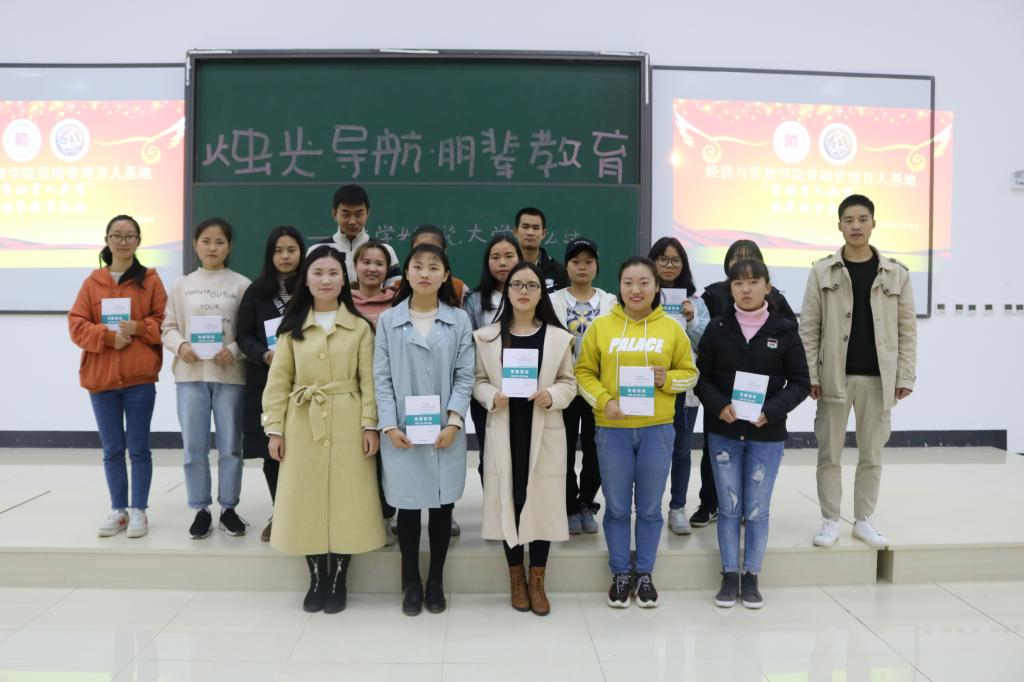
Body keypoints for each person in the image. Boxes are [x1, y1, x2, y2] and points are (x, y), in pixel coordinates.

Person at [262, 245, 384, 613]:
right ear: (306, 280)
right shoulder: (290, 328)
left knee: (349, 498)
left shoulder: (360, 327)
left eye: (333, 273)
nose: (326, 280)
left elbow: (369, 381)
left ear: (344, 279)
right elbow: (278, 382)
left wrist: (370, 424)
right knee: (305, 498)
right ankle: (316, 576)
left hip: (349, 421)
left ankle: (339, 578)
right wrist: (275, 429)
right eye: (318, 273)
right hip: (302, 423)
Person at [575, 257, 698, 608]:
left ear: (656, 287)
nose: (636, 289)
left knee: (648, 508)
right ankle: (619, 573)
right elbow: (583, 373)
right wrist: (605, 401)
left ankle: (644, 573)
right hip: (612, 429)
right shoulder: (601, 327)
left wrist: (667, 379)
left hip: (657, 430)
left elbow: (691, 374)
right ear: (619, 287)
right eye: (628, 282)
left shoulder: (671, 329)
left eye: (644, 282)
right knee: (615, 508)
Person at [801, 194, 917, 549]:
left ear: (873, 224)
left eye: (862, 219)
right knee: (829, 453)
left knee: (872, 455)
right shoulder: (822, 271)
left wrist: (905, 376)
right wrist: (811, 374)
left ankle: (863, 520)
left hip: (879, 380)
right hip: (833, 378)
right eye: (849, 220)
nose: (856, 226)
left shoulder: (897, 273)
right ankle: (829, 520)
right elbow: (809, 327)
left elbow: (907, 329)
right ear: (839, 225)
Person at [695, 259, 809, 609]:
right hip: (724, 432)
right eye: (738, 283)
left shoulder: (785, 330)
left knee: (757, 509)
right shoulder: (717, 328)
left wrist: (771, 411)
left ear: (767, 287)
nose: (746, 289)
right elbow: (701, 378)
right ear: (730, 289)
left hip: (766, 435)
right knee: (729, 508)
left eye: (753, 282)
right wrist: (719, 406)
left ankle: (752, 575)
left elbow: (800, 383)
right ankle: (730, 575)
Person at [374, 243, 475, 616]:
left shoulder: (459, 320)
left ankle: (436, 581)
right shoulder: (388, 320)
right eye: (418, 266)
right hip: (401, 431)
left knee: (442, 508)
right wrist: (388, 426)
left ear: (446, 275)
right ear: (407, 273)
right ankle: (412, 582)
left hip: (444, 432)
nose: (425, 273)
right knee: (409, 509)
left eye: (434, 267)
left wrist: (454, 421)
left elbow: (465, 375)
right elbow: (381, 378)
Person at [474, 262, 577, 615]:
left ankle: (537, 579)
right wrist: (491, 396)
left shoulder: (557, 338)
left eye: (531, 285)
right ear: (507, 291)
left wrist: (553, 395)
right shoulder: (487, 337)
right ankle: (516, 576)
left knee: (542, 501)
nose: (523, 291)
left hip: (543, 428)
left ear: (541, 293)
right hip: (505, 426)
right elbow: (477, 381)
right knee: (510, 498)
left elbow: (569, 383)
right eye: (516, 284)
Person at [68, 215, 167, 539]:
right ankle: (118, 510)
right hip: (102, 379)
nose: (123, 241)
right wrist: (108, 338)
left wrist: (138, 328)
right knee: (112, 450)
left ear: (138, 241)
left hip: (140, 379)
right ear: (107, 240)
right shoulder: (92, 283)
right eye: (117, 235)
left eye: (129, 236)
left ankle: (139, 510)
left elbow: (164, 322)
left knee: (139, 449)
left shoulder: (150, 280)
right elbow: (76, 325)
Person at [691, 239, 797, 530]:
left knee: (757, 457)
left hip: (761, 395)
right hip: (722, 392)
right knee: (715, 451)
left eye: (750, 257)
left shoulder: (776, 298)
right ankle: (709, 503)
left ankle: (748, 508)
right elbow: (702, 332)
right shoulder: (713, 293)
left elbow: (790, 335)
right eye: (736, 258)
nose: (746, 287)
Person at [161, 217, 251, 539]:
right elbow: (168, 328)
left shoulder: (242, 285)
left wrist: (235, 350)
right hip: (191, 375)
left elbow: (250, 331)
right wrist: (182, 346)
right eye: (206, 241)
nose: (212, 247)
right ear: (195, 244)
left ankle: (228, 508)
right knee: (194, 447)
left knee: (231, 447)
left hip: (230, 376)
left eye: (220, 242)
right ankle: (200, 509)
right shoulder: (181, 285)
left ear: (230, 246)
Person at [236, 225, 305, 542]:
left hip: (307, 384)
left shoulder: (312, 288)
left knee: (304, 450)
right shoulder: (256, 291)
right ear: (270, 255)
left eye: (291, 249)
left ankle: (304, 511)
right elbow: (243, 335)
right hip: (267, 382)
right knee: (272, 452)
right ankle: (281, 513)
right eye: (279, 250)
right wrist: (264, 355)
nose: (285, 256)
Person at [549, 238, 616, 535]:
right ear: (566, 266)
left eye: (588, 262)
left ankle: (587, 502)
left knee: (596, 450)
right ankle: (568, 505)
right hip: (562, 387)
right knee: (561, 449)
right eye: (576, 261)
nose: (582, 267)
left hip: (597, 388)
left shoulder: (611, 302)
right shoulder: (551, 301)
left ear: (597, 266)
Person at [649, 237, 709, 536]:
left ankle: (677, 507)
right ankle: (648, 507)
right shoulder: (641, 297)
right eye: (663, 259)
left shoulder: (696, 302)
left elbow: (707, 344)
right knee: (650, 449)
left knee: (682, 450)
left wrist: (692, 319)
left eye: (675, 260)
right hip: (648, 387)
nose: (669, 265)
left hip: (684, 389)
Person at [463, 234, 523, 489]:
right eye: (495, 257)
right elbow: (468, 346)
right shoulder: (474, 300)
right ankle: (495, 505)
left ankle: (520, 506)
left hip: (524, 384)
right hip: (487, 387)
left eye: (509, 256)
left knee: (521, 451)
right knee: (489, 453)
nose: (503, 262)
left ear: (520, 258)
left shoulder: (533, 294)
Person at [350, 238, 399, 546]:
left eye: (379, 263)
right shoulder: (342, 302)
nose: (372, 268)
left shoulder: (399, 303)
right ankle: (357, 516)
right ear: (355, 266)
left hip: (391, 390)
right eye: (366, 262)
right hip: (353, 392)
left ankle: (386, 517)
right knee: (358, 456)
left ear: (387, 269)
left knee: (387, 457)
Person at [313, 184, 400, 287]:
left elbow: (395, 291)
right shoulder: (316, 251)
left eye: (358, 214)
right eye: (346, 215)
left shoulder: (385, 250)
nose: (352, 221)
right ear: (334, 214)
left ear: (367, 213)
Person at [511, 207, 568, 293]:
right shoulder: (506, 268)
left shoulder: (559, 271)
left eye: (535, 228)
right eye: (525, 227)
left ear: (543, 234)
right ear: (515, 232)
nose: (530, 232)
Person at [410, 224, 467, 302]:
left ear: (445, 252)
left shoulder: (460, 289)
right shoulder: (396, 288)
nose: (427, 254)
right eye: (420, 249)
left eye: (433, 249)